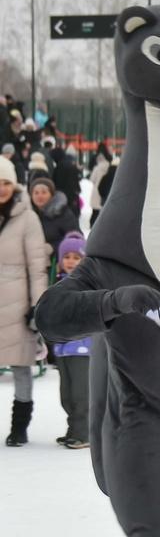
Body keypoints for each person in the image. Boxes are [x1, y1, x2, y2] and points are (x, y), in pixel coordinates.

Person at [1, 156, 49, 445]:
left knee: (20, 365)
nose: (2, 189)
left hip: (17, 303)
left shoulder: (27, 218)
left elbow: (37, 265)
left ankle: (19, 426)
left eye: (6, 183)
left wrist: (38, 305)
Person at [50, 233, 92, 448]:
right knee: (66, 395)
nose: (71, 262)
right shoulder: (59, 285)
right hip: (63, 348)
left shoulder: (86, 285)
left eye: (76, 257)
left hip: (83, 348)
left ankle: (84, 433)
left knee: (80, 394)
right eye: (67, 257)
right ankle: (73, 429)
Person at [28, 174, 81, 271]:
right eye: (36, 193)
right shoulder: (27, 215)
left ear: (51, 194)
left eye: (44, 192)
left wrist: (53, 247)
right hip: (31, 264)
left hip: (56, 266)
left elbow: (75, 238)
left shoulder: (62, 213)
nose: (40, 196)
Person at [88, 141, 113, 226]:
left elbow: (92, 179)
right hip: (106, 189)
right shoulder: (109, 165)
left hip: (96, 189)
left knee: (95, 210)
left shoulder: (97, 167)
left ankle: (92, 225)